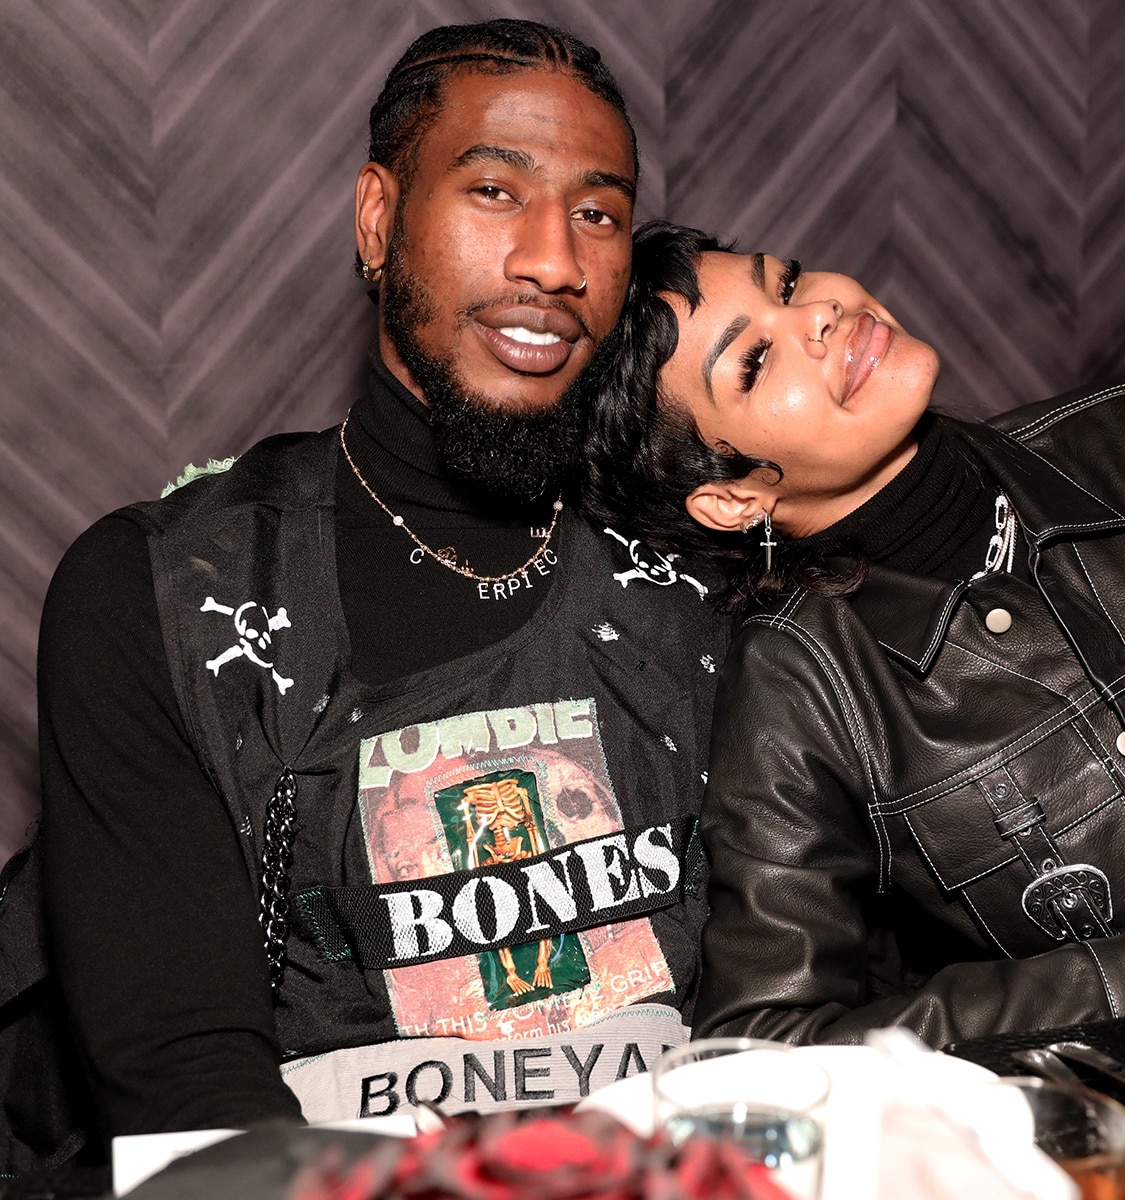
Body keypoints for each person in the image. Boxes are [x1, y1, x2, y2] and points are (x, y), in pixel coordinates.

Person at [33, 24, 725, 1146]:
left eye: (599, 213)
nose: (555, 260)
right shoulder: (169, 590)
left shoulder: (690, 569)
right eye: (495, 191)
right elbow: (189, 1087)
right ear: (377, 220)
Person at [582, 220, 1125, 1050]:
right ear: (733, 498)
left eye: (787, 283)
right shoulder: (801, 684)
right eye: (755, 360)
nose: (820, 313)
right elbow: (765, 1036)